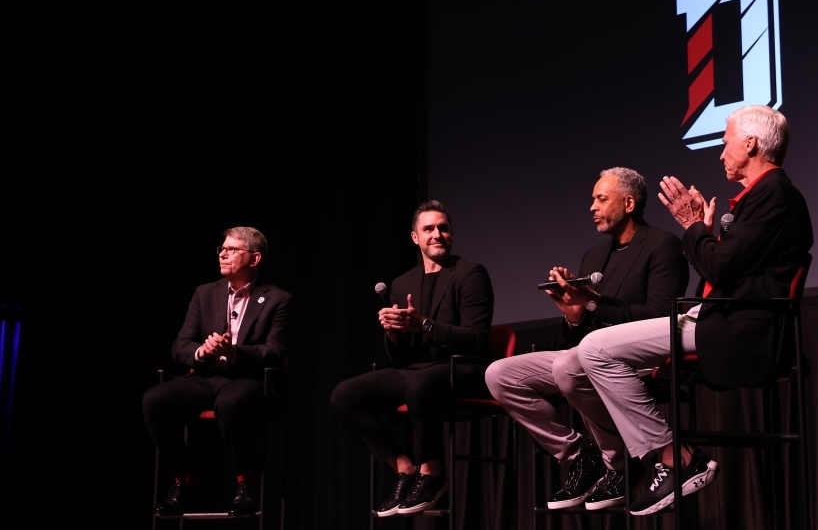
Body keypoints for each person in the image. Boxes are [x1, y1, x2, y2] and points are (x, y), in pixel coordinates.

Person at [576, 105, 814, 516]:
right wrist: (703, 233)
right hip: (714, 314)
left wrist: (693, 229)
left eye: (725, 142)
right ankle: (665, 458)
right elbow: (731, 264)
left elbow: (721, 268)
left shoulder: (774, 194)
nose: (721, 152)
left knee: (595, 349)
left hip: (737, 324)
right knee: (592, 352)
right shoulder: (765, 196)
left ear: (751, 144)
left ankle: (675, 458)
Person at [485, 167, 689, 511]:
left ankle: (619, 465)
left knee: (567, 365)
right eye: (592, 199)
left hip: (633, 359)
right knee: (499, 375)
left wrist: (592, 302)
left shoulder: (662, 245)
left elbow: (659, 318)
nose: (592, 207)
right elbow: (581, 329)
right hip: (585, 354)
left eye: (600, 198)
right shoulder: (595, 255)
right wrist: (573, 312)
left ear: (628, 203)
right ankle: (580, 454)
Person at [329, 200, 495, 517]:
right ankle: (403, 465)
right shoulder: (403, 283)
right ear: (415, 238)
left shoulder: (470, 273)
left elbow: (476, 338)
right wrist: (393, 334)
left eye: (443, 228)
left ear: (451, 234)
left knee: (419, 383)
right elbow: (401, 357)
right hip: (419, 370)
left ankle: (432, 473)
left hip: (464, 367)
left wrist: (424, 324)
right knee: (343, 396)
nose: (437, 234)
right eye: (428, 229)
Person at [143, 226, 293, 517]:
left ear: (254, 258)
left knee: (231, 402)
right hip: (205, 377)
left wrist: (234, 353)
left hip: (247, 380)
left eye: (232, 249)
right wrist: (203, 351)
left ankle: (246, 484)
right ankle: (183, 481)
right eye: (222, 249)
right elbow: (181, 344)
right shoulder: (205, 293)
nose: (223, 254)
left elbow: (275, 351)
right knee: (154, 400)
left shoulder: (277, 299)